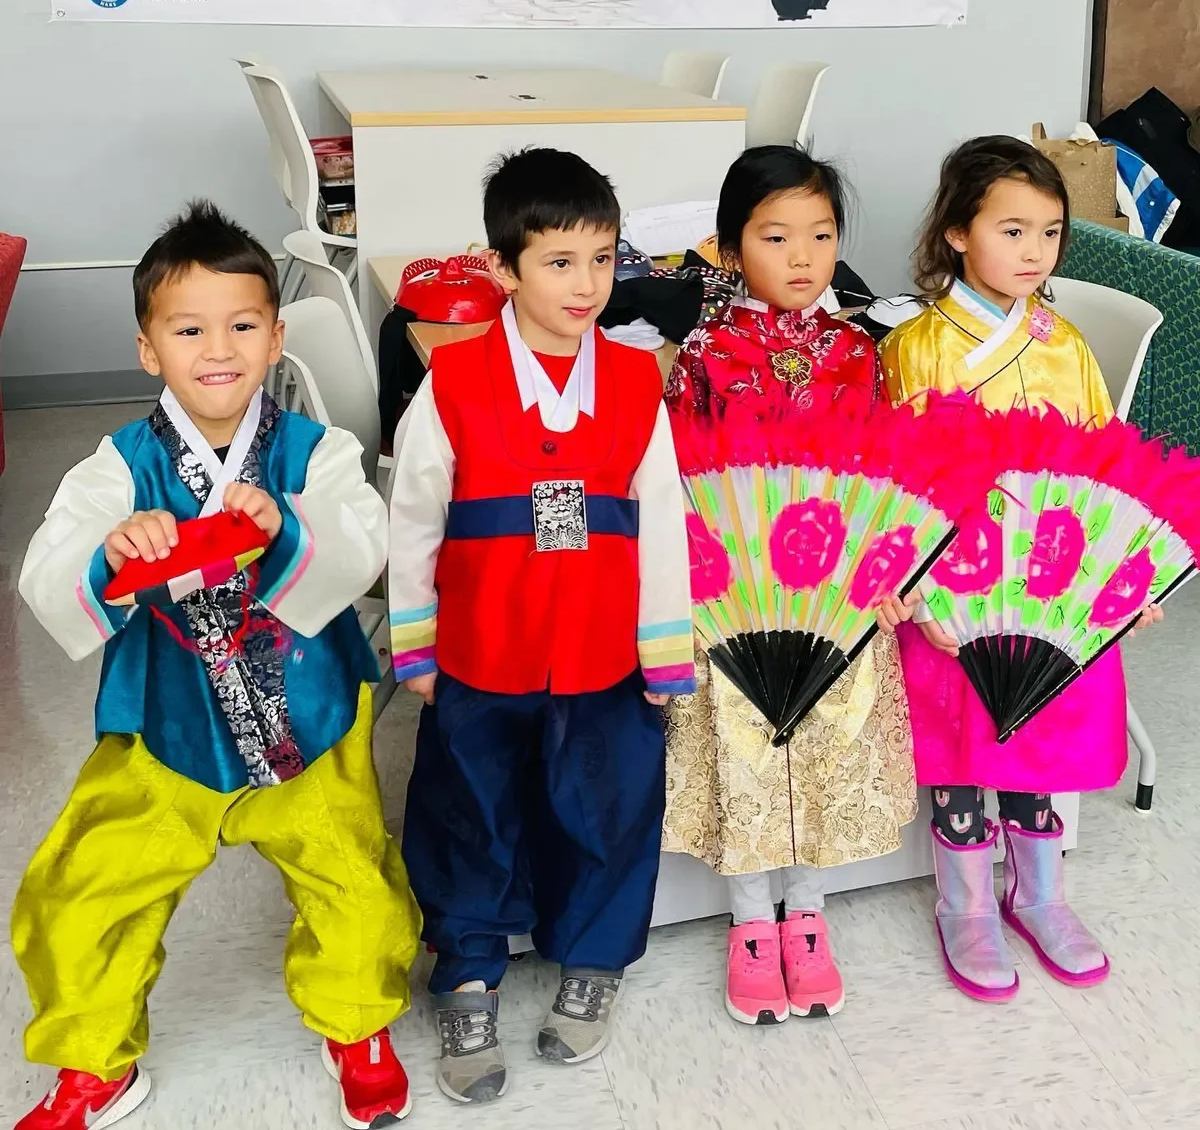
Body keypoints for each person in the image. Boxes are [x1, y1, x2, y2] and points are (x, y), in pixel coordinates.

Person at [13, 203, 421, 1130]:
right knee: (80, 891)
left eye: (242, 325)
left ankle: (356, 1024)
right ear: (149, 348)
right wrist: (113, 550)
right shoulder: (116, 467)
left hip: (307, 722)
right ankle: (95, 1061)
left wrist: (291, 528)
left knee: (354, 880)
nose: (219, 349)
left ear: (277, 337)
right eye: (188, 329)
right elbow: (47, 565)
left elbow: (362, 540)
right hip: (168, 730)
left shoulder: (317, 452)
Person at [388, 148, 692, 1105]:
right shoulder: (455, 380)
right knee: (468, 810)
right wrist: (416, 642)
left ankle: (592, 961)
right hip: (485, 650)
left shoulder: (640, 381)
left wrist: (665, 649)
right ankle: (468, 970)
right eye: (560, 260)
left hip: (604, 654)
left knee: (605, 807)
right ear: (501, 267)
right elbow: (415, 517)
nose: (587, 284)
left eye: (603, 258)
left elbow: (664, 521)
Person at [880, 135, 1163, 1001]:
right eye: (1011, 230)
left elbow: (1103, 468)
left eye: (1049, 232)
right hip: (961, 587)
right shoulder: (917, 346)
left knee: (1041, 744)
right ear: (958, 234)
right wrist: (920, 585)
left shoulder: (1065, 344)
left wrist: (1125, 572)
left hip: (1050, 581)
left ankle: (1039, 893)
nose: (1034, 252)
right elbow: (902, 482)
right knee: (965, 744)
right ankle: (963, 905)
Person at [663, 146, 917, 1027]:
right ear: (730, 251)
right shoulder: (701, 354)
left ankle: (807, 915)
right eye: (776, 237)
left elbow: (885, 474)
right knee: (747, 750)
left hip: (835, 596)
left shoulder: (858, 351)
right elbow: (683, 487)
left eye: (821, 234)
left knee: (822, 748)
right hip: (738, 598)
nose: (804, 257)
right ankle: (747, 925)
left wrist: (888, 571)